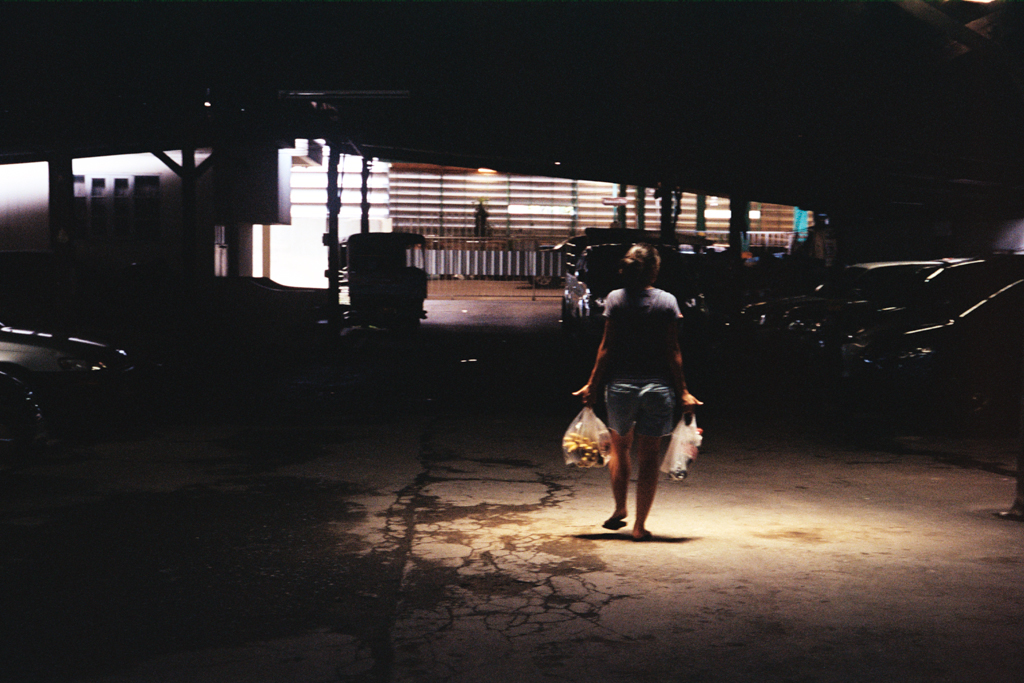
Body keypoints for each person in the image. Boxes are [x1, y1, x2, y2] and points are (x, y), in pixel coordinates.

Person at [573, 243, 702, 541]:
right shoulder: (667, 301)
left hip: (621, 386)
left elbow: (606, 348)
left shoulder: (616, 299)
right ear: (655, 271)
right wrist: (683, 391)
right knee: (649, 456)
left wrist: (592, 384)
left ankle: (620, 508)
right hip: (658, 388)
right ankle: (639, 526)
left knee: (620, 449)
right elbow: (673, 351)